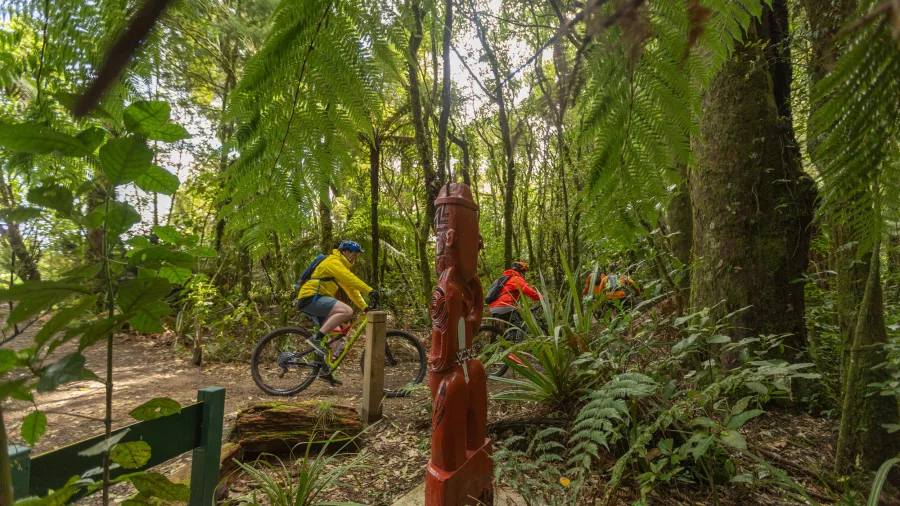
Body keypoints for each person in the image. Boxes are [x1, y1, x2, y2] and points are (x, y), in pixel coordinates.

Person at [296, 240, 374, 385]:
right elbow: (351, 279)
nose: (355, 258)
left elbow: (351, 288)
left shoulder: (340, 266)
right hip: (311, 297)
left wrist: (365, 307)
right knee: (347, 311)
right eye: (354, 254)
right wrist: (370, 290)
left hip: (316, 299)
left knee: (337, 338)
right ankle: (316, 338)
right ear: (346, 252)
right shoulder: (333, 261)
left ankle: (326, 371)